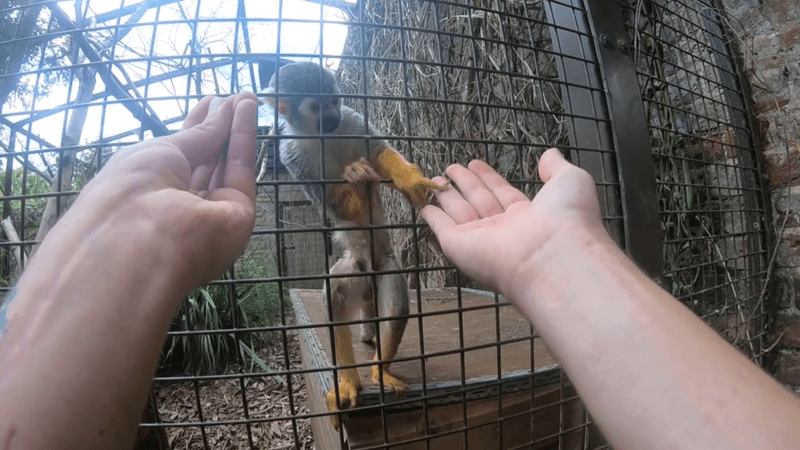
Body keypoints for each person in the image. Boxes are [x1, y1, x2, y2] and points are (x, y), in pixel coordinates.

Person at [0, 93, 798, 450]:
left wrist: (410, 181)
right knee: (346, 298)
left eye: (325, 112)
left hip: (385, 229)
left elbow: (380, 154)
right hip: (351, 238)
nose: (320, 122)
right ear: (285, 119)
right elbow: (335, 203)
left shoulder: (345, 121)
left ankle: (382, 367)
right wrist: (354, 185)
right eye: (307, 117)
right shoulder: (288, 150)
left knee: (401, 296)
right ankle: (350, 377)